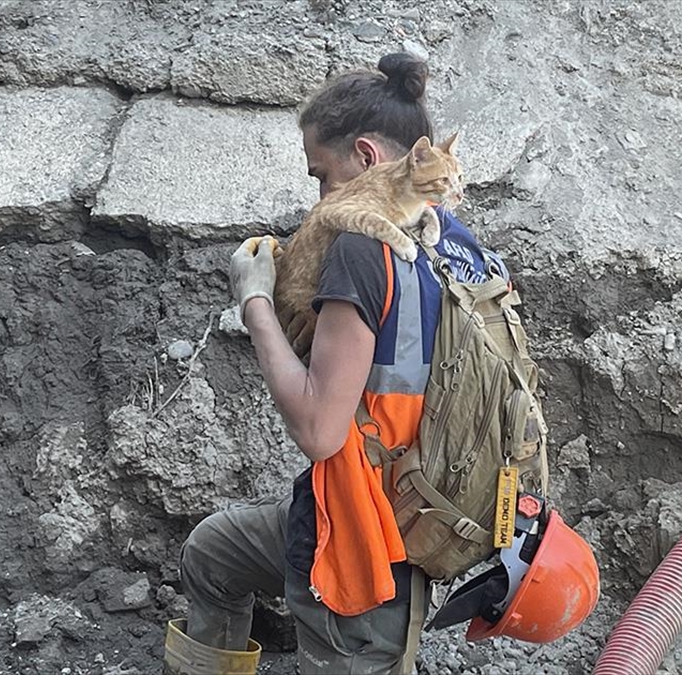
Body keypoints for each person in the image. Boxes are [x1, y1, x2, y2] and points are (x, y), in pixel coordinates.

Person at [165, 53, 513, 675]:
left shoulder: (359, 249)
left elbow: (320, 431)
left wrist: (254, 303)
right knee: (213, 553)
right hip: (432, 508)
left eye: (323, 175)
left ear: (368, 157)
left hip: (363, 540)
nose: (321, 196)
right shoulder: (460, 246)